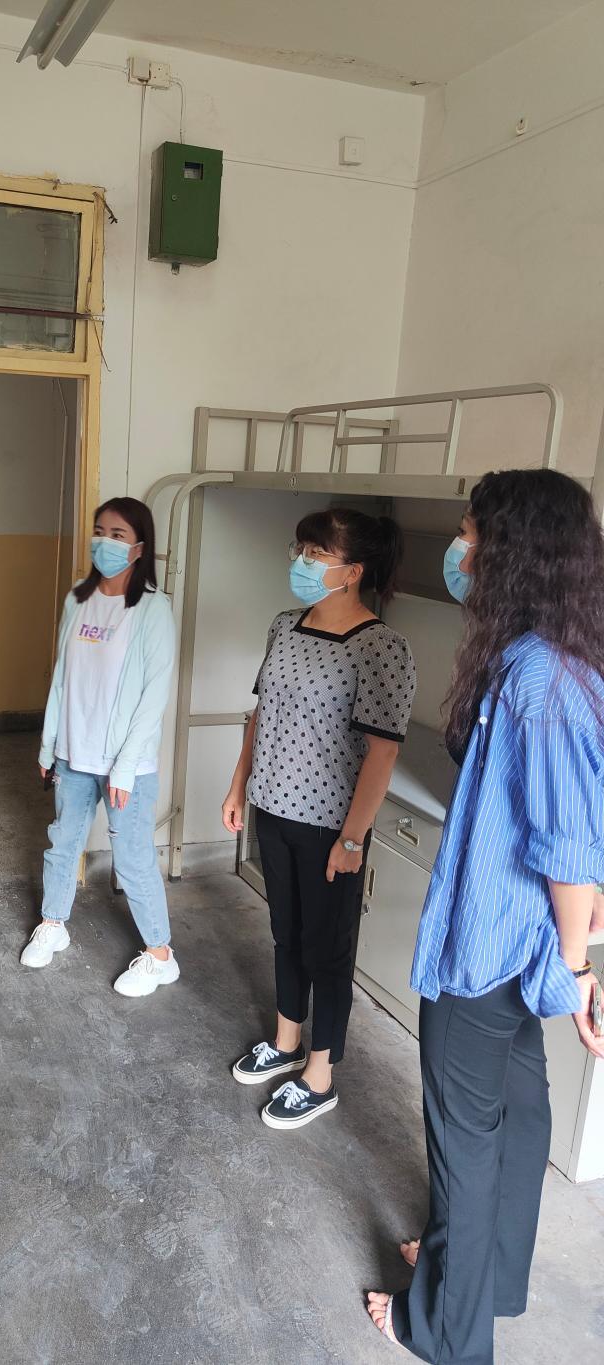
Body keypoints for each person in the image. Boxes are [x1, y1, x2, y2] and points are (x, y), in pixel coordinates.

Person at [367, 469, 604, 1360]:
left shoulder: (540, 674)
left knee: (463, 1139)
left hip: (491, 950)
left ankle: (443, 1329)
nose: (458, 550)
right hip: (518, 948)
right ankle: (486, 1275)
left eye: (470, 533)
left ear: (512, 551)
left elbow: (569, 845)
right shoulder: (557, 658)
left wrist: (579, 970)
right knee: (518, 1111)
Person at [222, 508, 415, 1129]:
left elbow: (382, 753)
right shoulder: (285, 625)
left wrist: (352, 839)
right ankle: (285, 1041)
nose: (302, 562)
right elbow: (261, 713)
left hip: (331, 826)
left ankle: (320, 1074)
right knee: (286, 931)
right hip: (273, 807)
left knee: (327, 950)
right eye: (300, 549)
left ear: (353, 571)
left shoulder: (381, 646)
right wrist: (239, 784)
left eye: (316, 553)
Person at [23, 497, 178, 997]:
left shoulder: (153, 609)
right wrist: (49, 746)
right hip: (73, 754)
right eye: (99, 531)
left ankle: (161, 955)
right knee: (62, 843)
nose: (104, 542)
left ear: (139, 547)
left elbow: (154, 696)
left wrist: (125, 768)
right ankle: (53, 924)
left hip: (124, 765)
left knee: (132, 857)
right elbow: (61, 679)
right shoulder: (77, 600)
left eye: (117, 534)